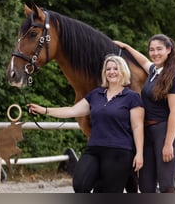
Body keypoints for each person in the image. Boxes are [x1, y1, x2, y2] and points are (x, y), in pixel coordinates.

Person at [27, 55, 144, 193]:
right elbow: (71, 111)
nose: (111, 72)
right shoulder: (95, 95)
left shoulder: (132, 97)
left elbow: (137, 127)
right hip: (94, 149)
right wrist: (44, 110)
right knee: (80, 185)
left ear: (123, 71)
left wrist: (139, 154)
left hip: (119, 151)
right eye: (108, 69)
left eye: (115, 68)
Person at [114, 34, 175, 193]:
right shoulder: (154, 71)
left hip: (166, 132)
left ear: (169, 50)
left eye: (159, 49)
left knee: (166, 186)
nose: (155, 53)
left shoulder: (174, 77)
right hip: (148, 133)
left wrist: (168, 144)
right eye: (151, 49)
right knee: (146, 187)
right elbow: (143, 61)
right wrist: (125, 46)